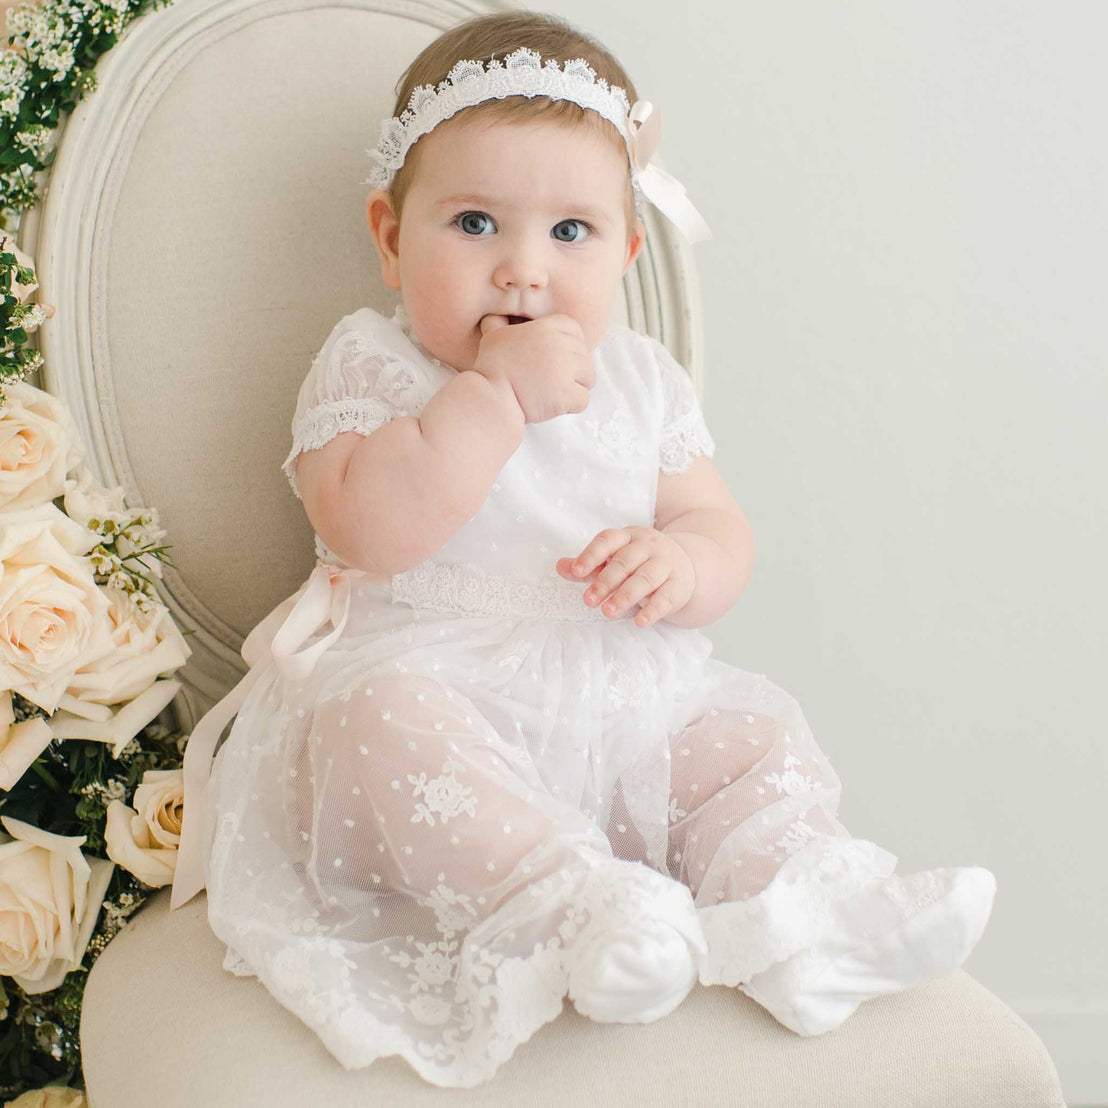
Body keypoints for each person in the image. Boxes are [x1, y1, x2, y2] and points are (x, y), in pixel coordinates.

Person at [170, 11, 997, 1090]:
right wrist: (488, 402)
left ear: (626, 249)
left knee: (744, 729)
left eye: (571, 233)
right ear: (388, 235)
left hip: (618, 711)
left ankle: (807, 912)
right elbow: (365, 527)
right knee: (377, 722)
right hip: (432, 690)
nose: (522, 269)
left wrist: (685, 564)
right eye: (474, 223)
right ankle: (571, 912)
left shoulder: (643, 378)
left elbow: (719, 527)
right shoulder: (370, 365)